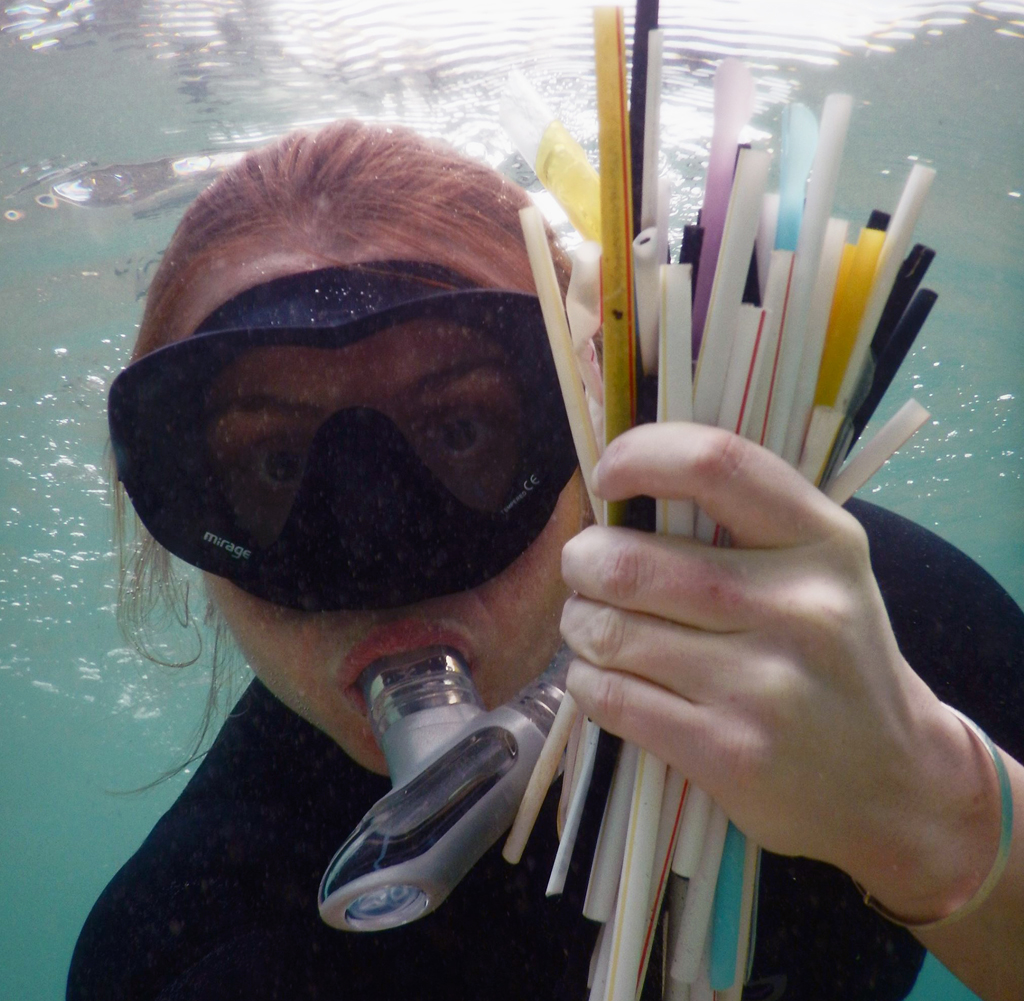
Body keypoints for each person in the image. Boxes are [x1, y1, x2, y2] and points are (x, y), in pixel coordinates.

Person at [68, 120, 1024, 1001]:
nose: (381, 554)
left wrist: (934, 808)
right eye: (275, 465)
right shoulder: (187, 947)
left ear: (600, 421)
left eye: (464, 428)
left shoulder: (884, 647)